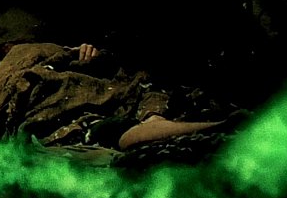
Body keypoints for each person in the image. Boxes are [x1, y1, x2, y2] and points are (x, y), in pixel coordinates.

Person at [75, 42, 241, 150]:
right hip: (96, 118)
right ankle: (226, 126)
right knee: (124, 134)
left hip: (131, 88)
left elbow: (89, 55)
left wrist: (88, 51)